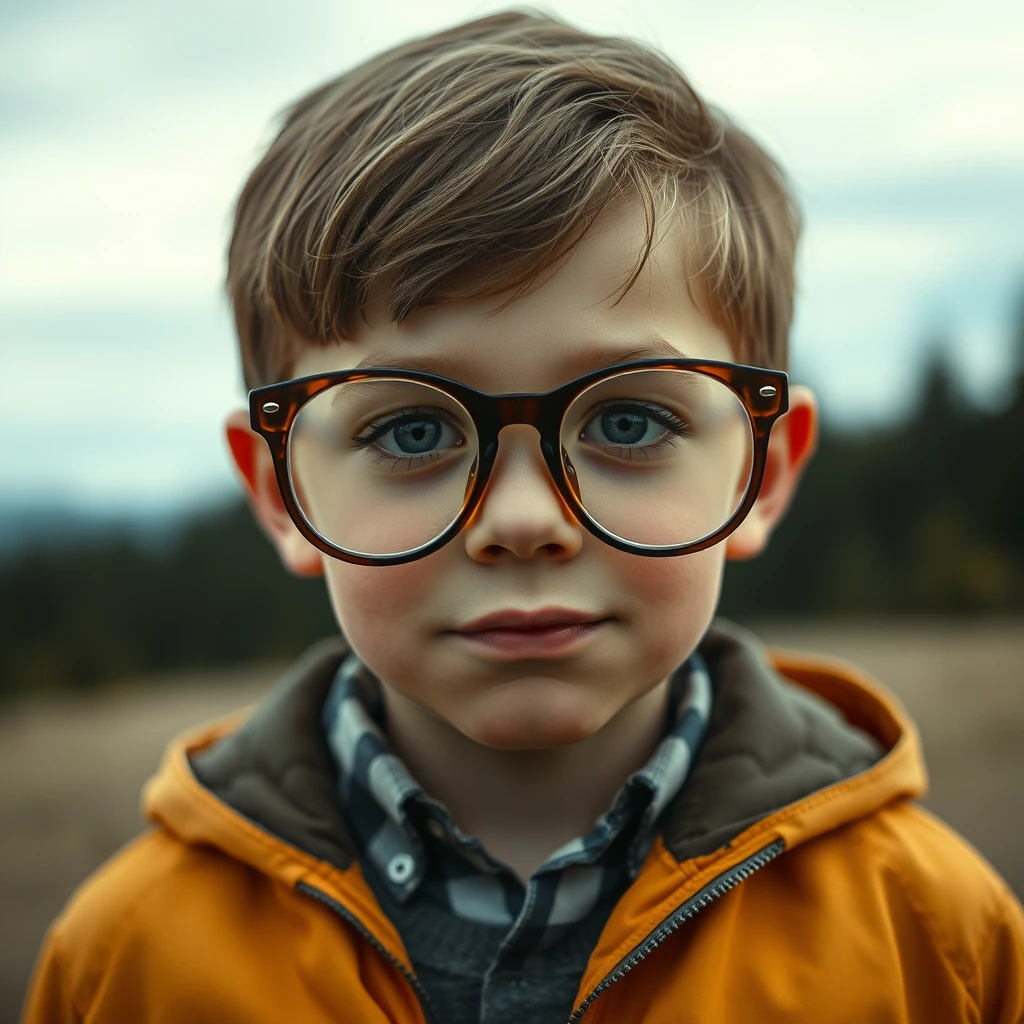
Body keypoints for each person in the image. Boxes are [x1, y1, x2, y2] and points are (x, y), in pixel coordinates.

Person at [23, 11, 1024, 1023]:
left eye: (628, 417)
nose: (521, 519)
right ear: (281, 490)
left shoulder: (932, 940)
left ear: (759, 470)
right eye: (413, 432)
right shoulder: (129, 961)